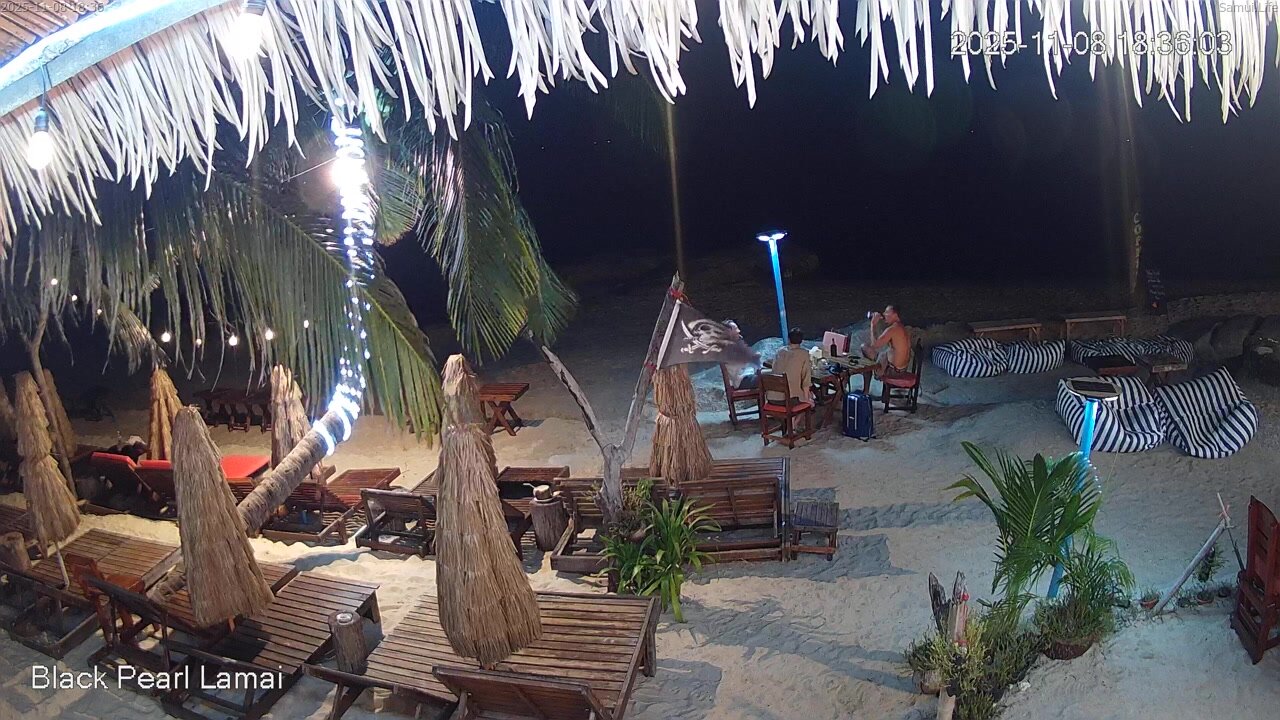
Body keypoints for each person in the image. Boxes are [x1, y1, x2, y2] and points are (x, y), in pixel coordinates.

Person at [861, 305, 912, 378]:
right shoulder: (902, 327)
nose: (884, 314)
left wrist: (873, 324)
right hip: (902, 369)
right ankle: (875, 370)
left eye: (887, 312)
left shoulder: (893, 329)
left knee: (864, 348)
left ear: (895, 315)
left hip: (893, 371)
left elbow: (874, 345)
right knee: (881, 353)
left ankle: (868, 383)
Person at [769, 327, 813, 402]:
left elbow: (774, 369)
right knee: (812, 399)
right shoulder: (804, 354)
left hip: (772, 397)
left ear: (788, 339)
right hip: (790, 399)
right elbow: (806, 381)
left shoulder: (780, 351)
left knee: (810, 394)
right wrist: (807, 399)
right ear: (801, 341)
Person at [723, 319, 762, 389]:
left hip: (748, 376)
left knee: (770, 374)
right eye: (736, 329)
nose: (738, 331)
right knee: (767, 379)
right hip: (741, 380)